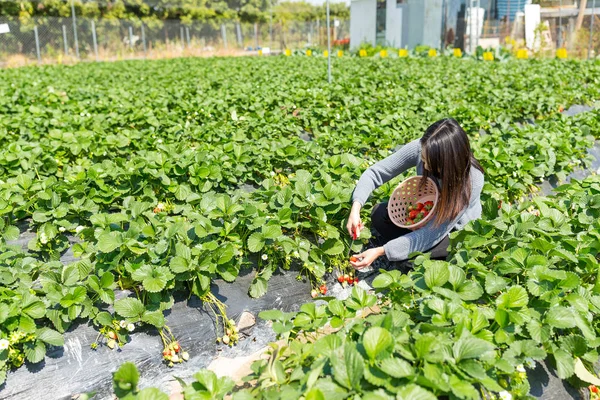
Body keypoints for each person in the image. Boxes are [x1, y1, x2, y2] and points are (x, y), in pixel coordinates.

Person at [347, 118, 485, 270]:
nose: (424, 165)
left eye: (428, 162)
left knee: (412, 262)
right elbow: (376, 172)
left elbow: (432, 233)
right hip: (423, 218)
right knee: (379, 214)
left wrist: (382, 251)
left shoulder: (472, 181)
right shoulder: (424, 147)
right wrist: (356, 207)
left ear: (446, 163)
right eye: (423, 159)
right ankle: (406, 249)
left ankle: (417, 256)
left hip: (451, 232)